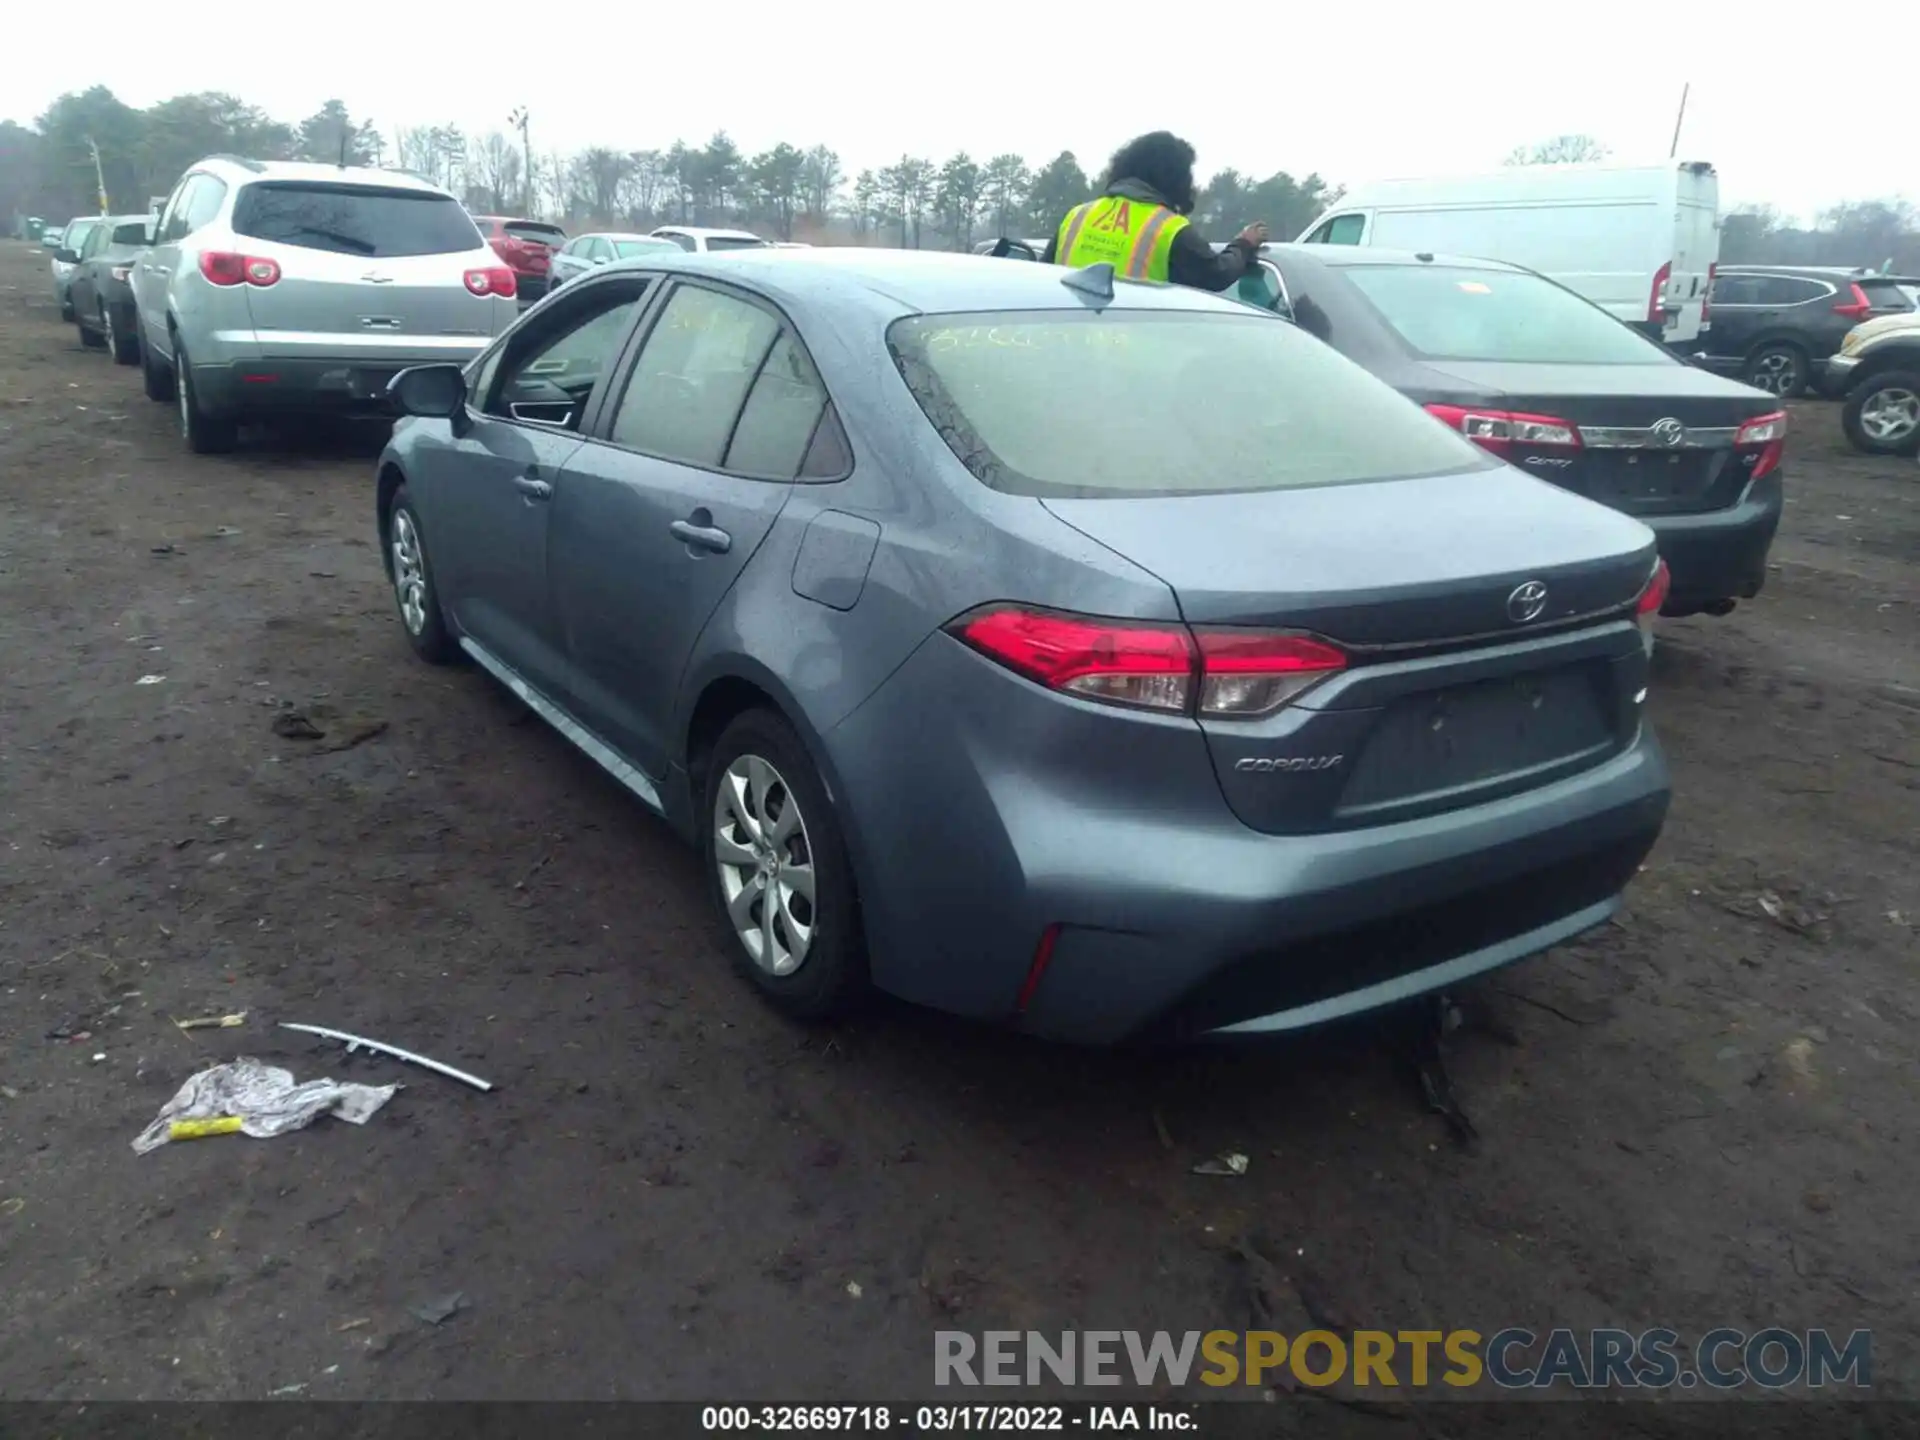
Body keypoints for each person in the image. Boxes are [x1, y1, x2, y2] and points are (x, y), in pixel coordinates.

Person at [1042, 132, 1269, 291]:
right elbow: (1217, 275)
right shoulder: (1169, 229)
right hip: (1135, 349)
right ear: (1175, 178)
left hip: (1068, 346)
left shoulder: (1078, 216)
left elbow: (1039, 276)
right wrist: (1244, 244)